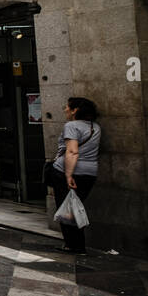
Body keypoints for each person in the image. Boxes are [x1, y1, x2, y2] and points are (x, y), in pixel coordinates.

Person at [45, 97, 101, 254]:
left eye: (67, 107)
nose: (65, 110)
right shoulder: (95, 127)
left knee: (66, 209)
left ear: (75, 110)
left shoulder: (71, 126)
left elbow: (72, 151)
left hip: (68, 172)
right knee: (74, 207)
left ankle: (73, 245)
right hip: (89, 173)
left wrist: (68, 175)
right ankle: (77, 245)